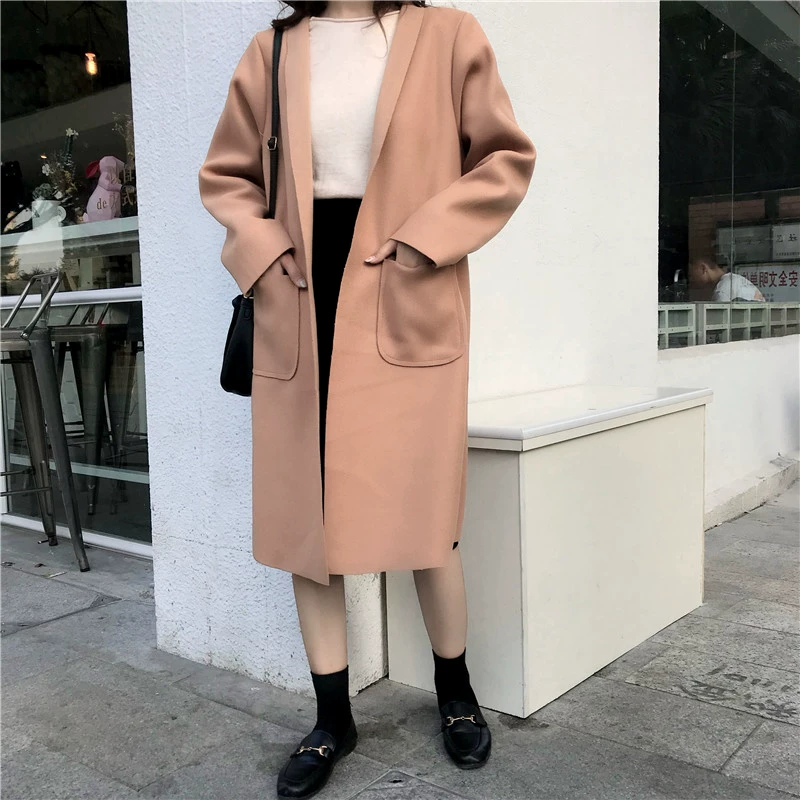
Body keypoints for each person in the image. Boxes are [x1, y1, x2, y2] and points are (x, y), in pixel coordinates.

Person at [198, 2, 536, 797]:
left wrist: (428, 236)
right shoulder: (272, 49)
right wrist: (262, 250)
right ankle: (331, 718)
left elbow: (503, 157)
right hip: (300, 292)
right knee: (305, 522)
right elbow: (228, 176)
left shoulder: (448, 35)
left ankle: (455, 692)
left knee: (427, 515)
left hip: (404, 281)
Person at [689, 255, 765, 301]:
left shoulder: (722, 291)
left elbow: (719, 320)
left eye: (691, 275)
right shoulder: (737, 280)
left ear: (703, 268)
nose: (692, 279)